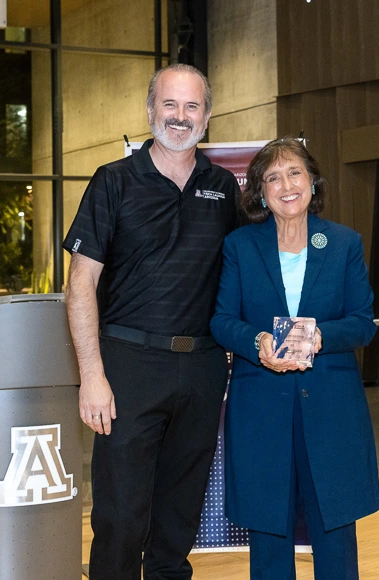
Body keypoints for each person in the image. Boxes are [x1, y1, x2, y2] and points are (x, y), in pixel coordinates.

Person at [62, 63, 239, 580]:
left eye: (191, 107)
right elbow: (81, 283)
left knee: (179, 515)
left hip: (203, 367)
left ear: (207, 116)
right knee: (119, 515)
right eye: (169, 104)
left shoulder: (224, 188)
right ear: (149, 110)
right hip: (127, 366)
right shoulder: (112, 182)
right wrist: (92, 375)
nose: (179, 117)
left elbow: (244, 271)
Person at [209, 137, 379, 579]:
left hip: (331, 409)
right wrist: (257, 341)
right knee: (268, 535)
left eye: (295, 173)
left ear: (312, 182)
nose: (286, 185)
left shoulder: (344, 244)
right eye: (273, 177)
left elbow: (363, 322)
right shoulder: (240, 247)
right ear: (260, 191)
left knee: (335, 537)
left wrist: (321, 335)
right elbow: (222, 320)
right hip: (261, 410)